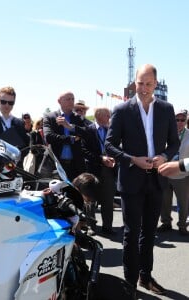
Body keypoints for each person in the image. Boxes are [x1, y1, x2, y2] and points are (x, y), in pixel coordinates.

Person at [105, 64, 179, 297]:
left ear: (156, 84)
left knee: (149, 233)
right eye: (140, 83)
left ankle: (145, 277)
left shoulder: (167, 109)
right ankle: (130, 284)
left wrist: (165, 156)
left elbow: (174, 142)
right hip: (131, 180)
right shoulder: (122, 110)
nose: (144, 88)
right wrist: (131, 159)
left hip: (156, 181)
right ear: (133, 83)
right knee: (131, 232)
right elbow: (109, 144)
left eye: (148, 84)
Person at [82, 107, 116, 235]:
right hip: (92, 169)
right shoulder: (88, 130)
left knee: (108, 199)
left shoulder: (110, 130)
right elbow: (84, 151)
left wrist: (113, 158)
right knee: (90, 199)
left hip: (108, 170)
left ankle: (108, 227)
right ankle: (90, 226)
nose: (109, 117)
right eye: (108, 115)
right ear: (99, 115)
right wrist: (101, 158)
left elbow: (115, 147)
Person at [43, 91, 87, 181]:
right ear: (59, 101)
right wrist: (71, 139)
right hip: (56, 164)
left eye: (73, 99)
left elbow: (86, 133)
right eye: (68, 99)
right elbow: (49, 137)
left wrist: (70, 127)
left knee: (75, 193)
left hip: (75, 165)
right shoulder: (50, 117)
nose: (71, 101)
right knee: (55, 193)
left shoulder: (78, 118)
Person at [158, 109, 189, 235]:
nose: (180, 122)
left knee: (183, 202)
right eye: (177, 120)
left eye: (183, 120)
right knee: (165, 201)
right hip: (165, 173)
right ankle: (166, 223)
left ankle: (182, 225)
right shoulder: (164, 134)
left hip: (182, 175)